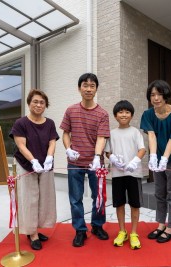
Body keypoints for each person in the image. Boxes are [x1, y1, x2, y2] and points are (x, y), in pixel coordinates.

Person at [60, 73, 110, 247]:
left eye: (92, 86)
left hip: (96, 164)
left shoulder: (102, 113)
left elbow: (102, 137)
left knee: (99, 197)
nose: (89, 89)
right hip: (74, 163)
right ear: (79, 88)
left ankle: (97, 226)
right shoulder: (71, 110)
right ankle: (80, 230)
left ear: (96, 89)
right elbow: (65, 133)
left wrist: (97, 157)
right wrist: (68, 149)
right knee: (75, 198)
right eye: (85, 85)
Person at [140, 80, 171, 243]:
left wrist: (165, 158)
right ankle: (161, 224)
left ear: (166, 95)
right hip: (158, 158)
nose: (156, 98)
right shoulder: (147, 114)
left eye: (159, 94)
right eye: (153, 95)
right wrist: (153, 156)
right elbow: (152, 136)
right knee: (159, 192)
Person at [9, 89, 59, 250]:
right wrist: (33, 160)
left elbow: (52, 142)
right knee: (29, 199)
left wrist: (49, 158)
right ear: (29, 103)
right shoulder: (21, 123)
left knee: (45, 198)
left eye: (42, 102)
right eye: (35, 101)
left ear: (46, 105)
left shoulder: (49, 123)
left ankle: (36, 228)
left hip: (46, 165)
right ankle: (32, 234)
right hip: (26, 164)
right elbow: (20, 145)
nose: (38, 105)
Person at [104, 100, 146, 249]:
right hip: (117, 174)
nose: (124, 114)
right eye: (120, 112)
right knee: (119, 203)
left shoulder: (135, 132)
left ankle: (134, 233)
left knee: (135, 204)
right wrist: (113, 158)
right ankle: (122, 231)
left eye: (127, 112)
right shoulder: (111, 133)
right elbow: (108, 151)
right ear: (115, 115)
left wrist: (135, 160)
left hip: (133, 173)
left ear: (132, 115)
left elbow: (142, 149)